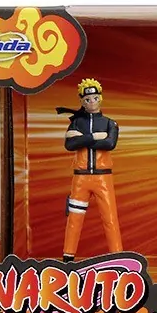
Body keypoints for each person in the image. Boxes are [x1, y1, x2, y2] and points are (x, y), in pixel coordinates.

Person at [59, 78, 122, 260]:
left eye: (95, 98)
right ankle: (68, 257)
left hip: (103, 178)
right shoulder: (76, 122)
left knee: (110, 218)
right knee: (74, 218)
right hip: (80, 179)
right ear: (82, 101)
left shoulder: (110, 123)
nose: (92, 102)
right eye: (87, 99)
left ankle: (118, 256)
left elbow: (110, 143)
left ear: (100, 98)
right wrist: (94, 136)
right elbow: (69, 145)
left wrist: (81, 138)